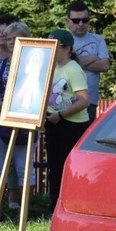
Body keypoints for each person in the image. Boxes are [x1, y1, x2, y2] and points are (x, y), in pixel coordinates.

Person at [0, 22, 36, 211]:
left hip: (25, 120)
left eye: (15, 38)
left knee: (24, 169)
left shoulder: (34, 66)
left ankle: (25, 211)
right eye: (8, 39)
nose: (11, 42)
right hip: (1, 120)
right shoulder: (1, 64)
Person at [44, 29, 90, 215]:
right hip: (54, 122)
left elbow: (84, 99)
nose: (52, 51)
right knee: (54, 167)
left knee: (67, 167)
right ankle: (55, 205)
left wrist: (61, 115)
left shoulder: (73, 69)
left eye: (55, 47)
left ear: (67, 48)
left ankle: (70, 205)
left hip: (72, 125)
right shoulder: (52, 67)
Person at [65, 1, 109, 123]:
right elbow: (60, 64)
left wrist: (73, 61)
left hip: (89, 101)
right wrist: (93, 57)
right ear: (67, 21)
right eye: (76, 20)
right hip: (64, 100)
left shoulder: (98, 40)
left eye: (85, 20)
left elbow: (105, 66)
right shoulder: (62, 39)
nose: (80, 24)